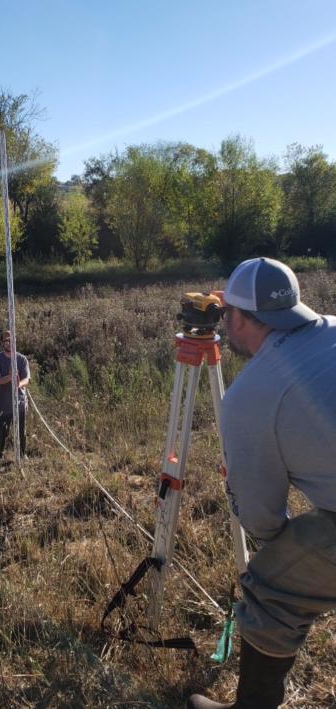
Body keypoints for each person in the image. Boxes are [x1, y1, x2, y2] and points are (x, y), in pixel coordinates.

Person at [187, 258, 336, 709]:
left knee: (270, 590)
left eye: (227, 310)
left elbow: (262, 523)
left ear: (233, 318)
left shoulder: (250, 396)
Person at [0, 330, 30, 463]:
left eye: (12, 340)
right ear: (2, 343)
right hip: (2, 404)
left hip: (20, 402)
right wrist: (10, 376)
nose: (10, 343)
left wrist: (18, 385)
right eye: (7, 341)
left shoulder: (22, 359)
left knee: (21, 432)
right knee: (2, 432)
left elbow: (26, 379)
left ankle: (22, 455)